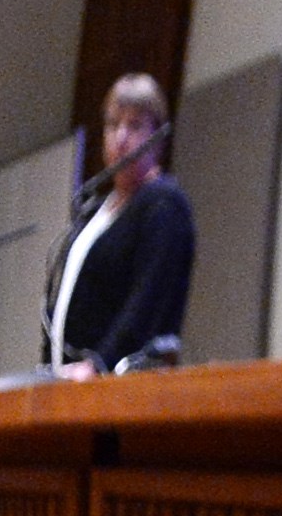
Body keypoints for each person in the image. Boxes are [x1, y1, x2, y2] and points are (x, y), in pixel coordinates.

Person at [53, 71, 196, 375]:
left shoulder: (163, 204)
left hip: (117, 388)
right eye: (113, 124)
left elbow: (147, 302)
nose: (120, 137)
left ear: (158, 137)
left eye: (134, 125)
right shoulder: (96, 210)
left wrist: (98, 363)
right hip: (70, 381)